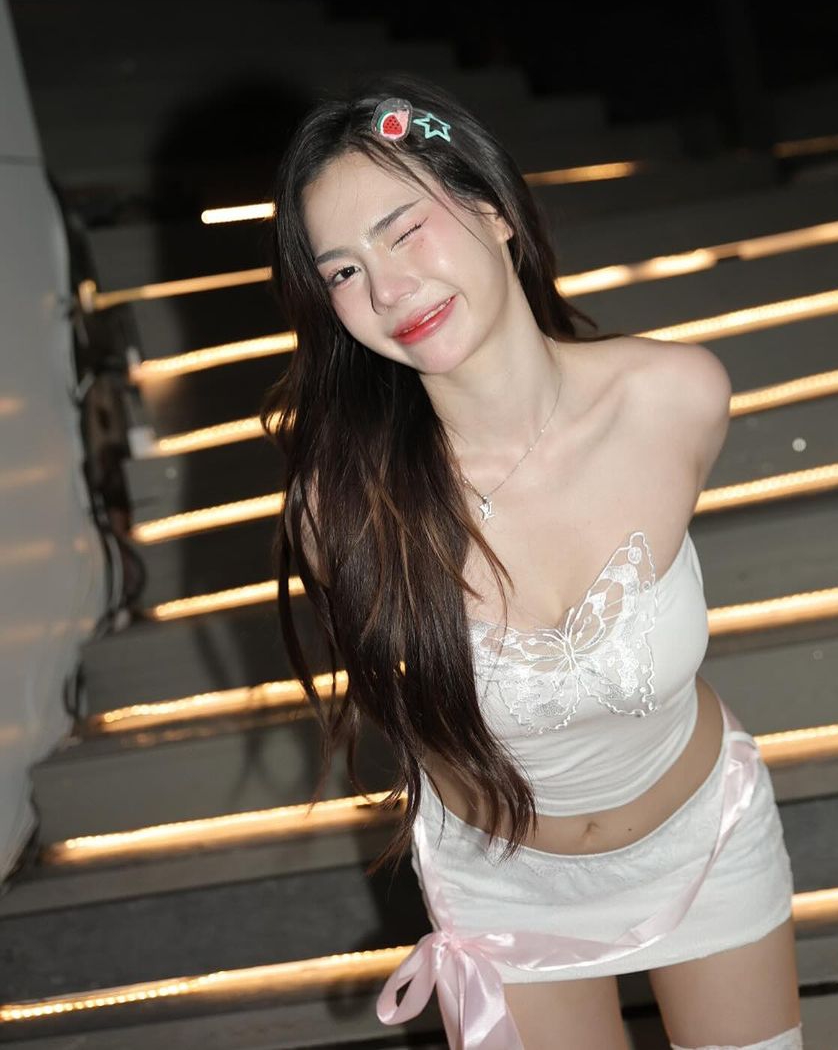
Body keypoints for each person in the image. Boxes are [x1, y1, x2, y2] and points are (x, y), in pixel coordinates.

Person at [261, 72, 803, 1050]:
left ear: (493, 209)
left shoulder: (673, 397)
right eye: (342, 270)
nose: (387, 289)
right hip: (504, 889)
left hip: (706, 840)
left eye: (403, 229)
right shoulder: (340, 508)